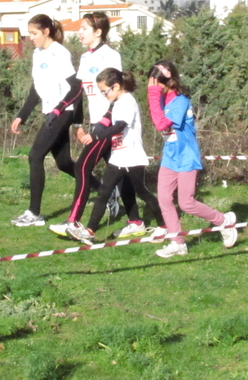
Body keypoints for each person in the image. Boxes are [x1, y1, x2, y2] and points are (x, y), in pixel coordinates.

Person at [47, 13, 129, 237]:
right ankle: (137, 221)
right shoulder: (85, 58)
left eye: (84, 28)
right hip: (95, 123)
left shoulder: (111, 56)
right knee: (123, 172)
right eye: (80, 28)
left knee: (82, 167)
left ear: (98, 32)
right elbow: (77, 91)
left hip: (108, 124)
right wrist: (59, 109)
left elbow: (118, 93)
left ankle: (73, 221)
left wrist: (106, 122)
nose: (80, 32)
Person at [64, 68, 166, 245]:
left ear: (117, 86)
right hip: (118, 157)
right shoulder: (117, 103)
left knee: (141, 192)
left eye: (105, 91)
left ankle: (164, 226)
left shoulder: (128, 101)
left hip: (132, 157)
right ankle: (90, 231)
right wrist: (91, 133)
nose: (104, 95)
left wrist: (95, 137)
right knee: (104, 192)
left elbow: (119, 127)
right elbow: (106, 125)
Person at [147, 60, 237, 258]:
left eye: (157, 85)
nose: (154, 89)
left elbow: (162, 124)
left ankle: (224, 221)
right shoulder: (162, 99)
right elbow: (158, 122)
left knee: (186, 203)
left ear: (169, 82)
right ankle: (177, 242)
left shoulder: (180, 101)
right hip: (170, 157)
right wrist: (155, 96)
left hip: (186, 156)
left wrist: (152, 96)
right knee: (164, 199)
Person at [10, 14, 80, 227]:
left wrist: (63, 111)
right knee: (64, 162)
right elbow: (36, 88)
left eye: (34, 33)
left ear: (46, 31)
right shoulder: (37, 54)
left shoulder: (60, 53)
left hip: (63, 112)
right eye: (29, 33)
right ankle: (105, 188)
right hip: (50, 110)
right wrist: (22, 115)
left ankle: (34, 214)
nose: (30, 37)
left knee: (35, 156)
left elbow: (76, 87)